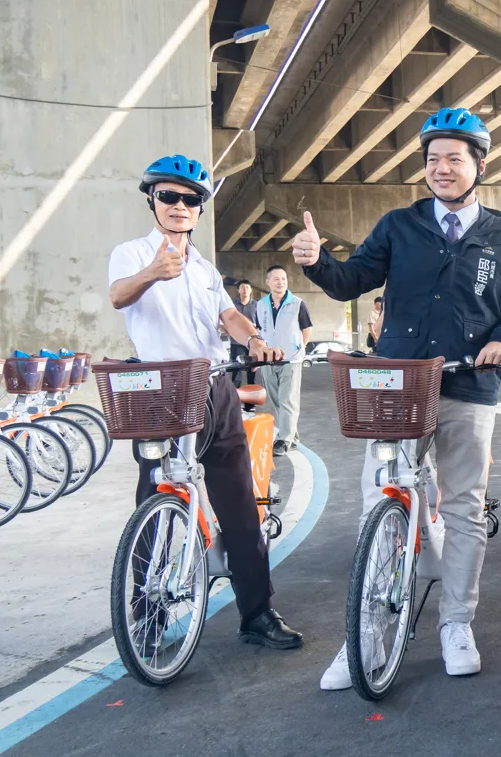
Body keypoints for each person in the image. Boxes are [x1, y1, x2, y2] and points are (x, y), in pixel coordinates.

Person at [293, 106, 501, 687]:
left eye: (454, 159)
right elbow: (351, 281)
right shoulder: (398, 225)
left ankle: (456, 623)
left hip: (469, 385)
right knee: (378, 503)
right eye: (433, 159)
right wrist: (318, 262)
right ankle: (367, 631)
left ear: (479, 166)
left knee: (464, 509)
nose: (441, 168)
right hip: (399, 385)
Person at [108, 155, 302, 650]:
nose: (179, 206)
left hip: (215, 387)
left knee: (239, 503)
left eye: (190, 199)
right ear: (152, 200)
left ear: (199, 209)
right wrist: (153, 272)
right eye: (168, 196)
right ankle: (146, 618)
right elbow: (118, 296)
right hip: (162, 388)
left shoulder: (205, 268)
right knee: (156, 498)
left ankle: (257, 613)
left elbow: (228, 316)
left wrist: (253, 339)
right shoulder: (132, 254)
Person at [254, 265, 311, 456]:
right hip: (269, 360)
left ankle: (283, 440)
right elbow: (260, 330)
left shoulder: (297, 303)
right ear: (268, 282)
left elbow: (307, 329)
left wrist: (299, 348)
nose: (281, 282)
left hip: (291, 360)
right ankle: (293, 437)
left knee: (287, 400)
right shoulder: (261, 305)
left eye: (284, 279)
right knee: (277, 400)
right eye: (276, 279)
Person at [228, 279, 258, 385]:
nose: (245, 290)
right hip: (236, 342)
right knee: (236, 371)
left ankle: (251, 395)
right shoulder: (232, 305)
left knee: (252, 371)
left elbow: (261, 324)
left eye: (247, 287)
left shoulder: (257, 305)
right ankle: (235, 394)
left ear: (251, 290)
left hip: (252, 343)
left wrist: (253, 325)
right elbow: (229, 320)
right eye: (242, 288)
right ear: (238, 290)